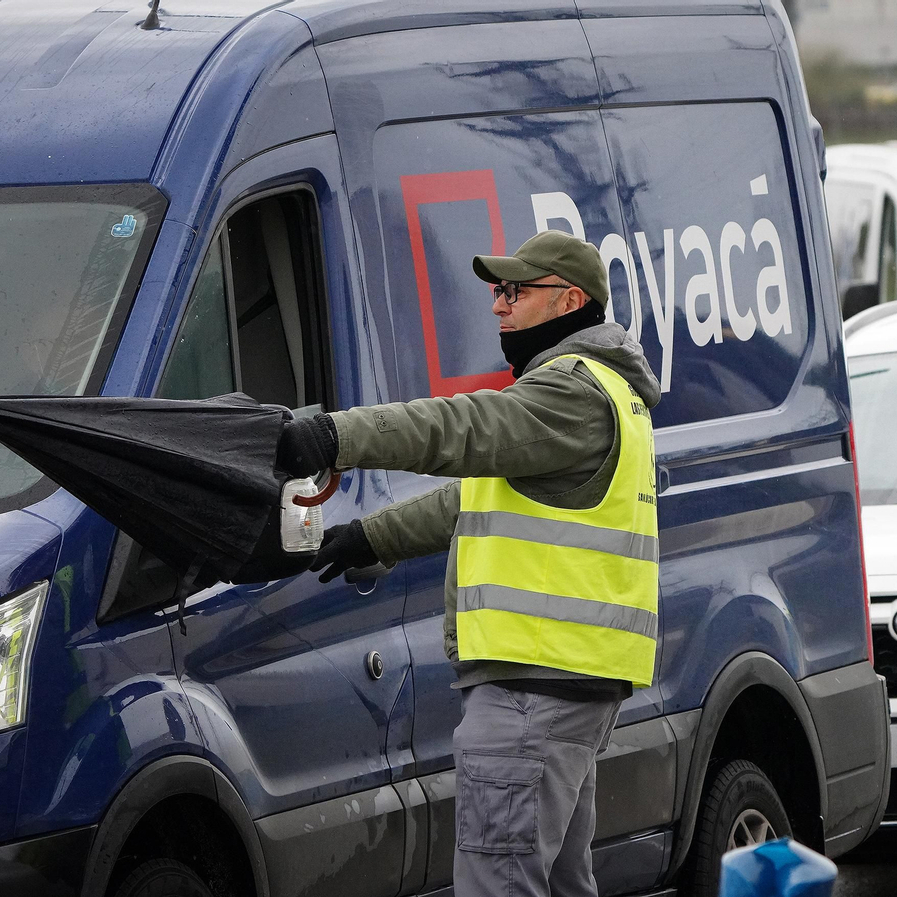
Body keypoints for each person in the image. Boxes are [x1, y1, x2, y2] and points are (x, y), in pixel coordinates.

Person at [275, 230, 662, 897]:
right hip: (565, 683)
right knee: (560, 884)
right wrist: (374, 536)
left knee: (498, 883)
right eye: (496, 291)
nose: (498, 306)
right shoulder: (603, 391)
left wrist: (340, 437)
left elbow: (458, 429)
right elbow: (475, 497)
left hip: (531, 688)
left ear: (569, 299)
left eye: (516, 291)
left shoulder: (568, 392)